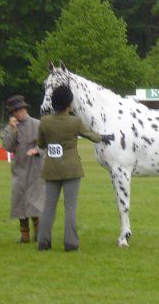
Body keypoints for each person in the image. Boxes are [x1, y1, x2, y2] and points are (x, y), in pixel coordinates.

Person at [36, 85, 114, 251]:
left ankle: (43, 241)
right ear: (68, 104)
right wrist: (104, 137)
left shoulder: (45, 121)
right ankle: (70, 243)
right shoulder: (75, 121)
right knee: (70, 206)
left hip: (51, 168)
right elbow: (91, 135)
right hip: (71, 168)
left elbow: (41, 144)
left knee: (49, 206)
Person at [1, 95, 45, 243]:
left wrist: (37, 150)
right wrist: (12, 130)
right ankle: (24, 235)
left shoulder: (38, 124)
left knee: (35, 201)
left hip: (35, 167)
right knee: (19, 200)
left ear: (25, 109)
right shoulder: (10, 128)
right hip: (19, 168)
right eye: (15, 111)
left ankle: (39, 233)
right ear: (12, 114)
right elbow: (7, 146)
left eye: (21, 110)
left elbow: (47, 144)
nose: (19, 113)